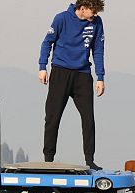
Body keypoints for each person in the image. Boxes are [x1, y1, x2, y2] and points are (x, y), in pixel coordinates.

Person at [39, 0, 106, 170]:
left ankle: (90, 160)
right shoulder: (61, 19)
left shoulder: (96, 23)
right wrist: (42, 67)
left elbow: (98, 49)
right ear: (82, 8)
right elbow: (47, 42)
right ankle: (48, 159)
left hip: (82, 75)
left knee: (88, 118)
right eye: (93, 11)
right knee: (53, 117)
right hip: (60, 72)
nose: (95, 15)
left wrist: (100, 77)